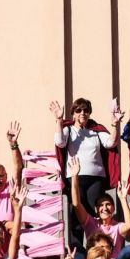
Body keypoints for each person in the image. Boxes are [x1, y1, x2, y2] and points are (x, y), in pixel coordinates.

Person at [53, 97, 121, 226]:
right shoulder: (68, 129)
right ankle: (77, 246)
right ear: (73, 114)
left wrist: (115, 125)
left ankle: (96, 243)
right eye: (78, 110)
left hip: (96, 179)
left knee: (95, 215)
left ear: (89, 113)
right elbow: (60, 143)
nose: (82, 113)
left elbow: (111, 143)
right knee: (76, 215)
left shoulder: (96, 130)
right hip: (74, 177)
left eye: (86, 110)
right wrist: (58, 120)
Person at [69, 158, 130, 257]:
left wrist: (123, 199)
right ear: (96, 210)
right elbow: (77, 204)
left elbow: (129, 225)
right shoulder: (91, 223)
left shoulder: (117, 227)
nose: (105, 208)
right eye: (101, 205)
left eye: (108, 204)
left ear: (113, 208)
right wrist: (74, 176)